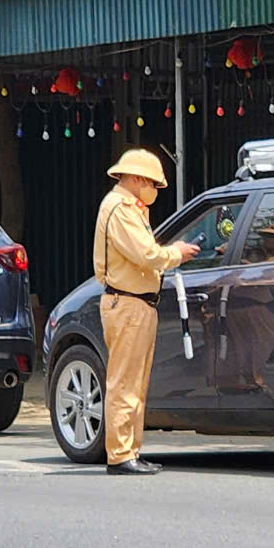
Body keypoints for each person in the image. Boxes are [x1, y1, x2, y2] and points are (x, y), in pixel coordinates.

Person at [93, 148, 199, 475]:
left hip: (138, 304)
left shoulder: (129, 208)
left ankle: (130, 452)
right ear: (138, 179)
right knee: (125, 383)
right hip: (127, 304)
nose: (155, 191)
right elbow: (146, 254)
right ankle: (121, 455)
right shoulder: (120, 209)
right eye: (154, 184)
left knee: (135, 385)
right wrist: (177, 253)